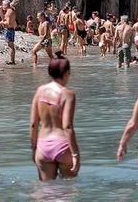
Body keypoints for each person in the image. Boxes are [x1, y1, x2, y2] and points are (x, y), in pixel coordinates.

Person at [30, 51, 79, 181]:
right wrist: (75, 154)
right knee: (68, 190)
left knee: (46, 192)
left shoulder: (40, 91)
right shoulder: (67, 94)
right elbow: (67, 126)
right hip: (62, 144)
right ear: (66, 73)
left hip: (43, 145)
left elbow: (33, 124)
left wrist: (34, 148)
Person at [2, 0, 18, 64]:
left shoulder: (9, 11)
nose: (2, 6)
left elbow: (8, 23)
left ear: (6, 5)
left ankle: (12, 60)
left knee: (10, 45)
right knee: (11, 45)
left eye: (3, 5)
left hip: (9, 30)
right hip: (11, 29)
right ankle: (12, 60)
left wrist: (1, 23)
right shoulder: (11, 10)